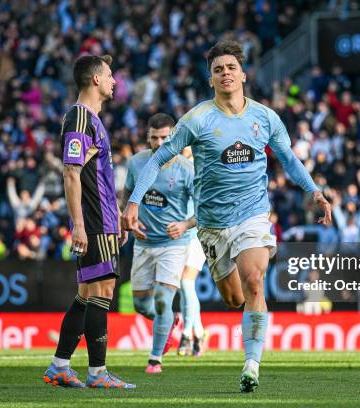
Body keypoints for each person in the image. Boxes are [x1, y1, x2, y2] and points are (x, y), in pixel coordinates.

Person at [122, 40, 332, 392]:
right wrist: (132, 202)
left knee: (254, 281)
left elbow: (290, 160)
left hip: (252, 214)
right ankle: (239, 332)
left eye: (231, 67)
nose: (225, 74)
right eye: (218, 69)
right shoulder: (197, 119)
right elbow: (157, 159)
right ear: (211, 79)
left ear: (243, 74)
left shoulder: (265, 118)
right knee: (235, 298)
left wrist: (314, 191)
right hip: (211, 225)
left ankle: (251, 365)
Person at [44, 54, 134, 389]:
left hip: (105, 220)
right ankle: (97, 373)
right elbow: (71, 172)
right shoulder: (80, 118)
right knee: (102, 291)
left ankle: (60, 366)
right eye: (110, 75)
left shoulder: (91, 119)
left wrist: (118, 218)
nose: (114, 81)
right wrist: (79, 225)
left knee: (85, 294)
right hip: (94, 222)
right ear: (95, 79)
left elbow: (99, 177)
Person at [124, 113, 196, 374]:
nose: (159, 143)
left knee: (164, 299)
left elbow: (203, 210)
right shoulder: (136, 163)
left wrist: (185, 225)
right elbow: (128, 195)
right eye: (154, 138)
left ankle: (155, 359)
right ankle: (169, 321)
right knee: (142, 305)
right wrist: (128, 222)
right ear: (147, 137)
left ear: (174, 137)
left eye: (165, 137)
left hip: (174, 244)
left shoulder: (187, 169)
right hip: (143, 243)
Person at [178, 146, 208, 357]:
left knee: (186, 283)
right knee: (184, 286)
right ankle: (198, 332)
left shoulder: (198, 167)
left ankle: (187, 333)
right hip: (178, 235)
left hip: (197, 233)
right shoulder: (175, 168)